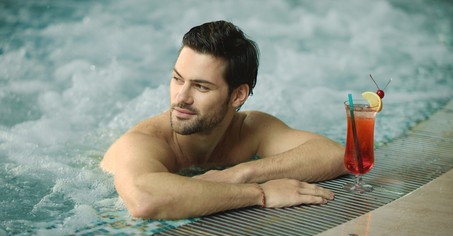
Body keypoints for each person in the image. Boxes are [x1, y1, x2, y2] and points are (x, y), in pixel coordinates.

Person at [101, 20, 347, 220]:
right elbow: (146, 200)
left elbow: (338, 155)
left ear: (238, 95)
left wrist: (239, 174)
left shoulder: (250, 129)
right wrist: (259, 194)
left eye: (201, 87)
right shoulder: (142, 142)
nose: (181, 97)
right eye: (177, 79)